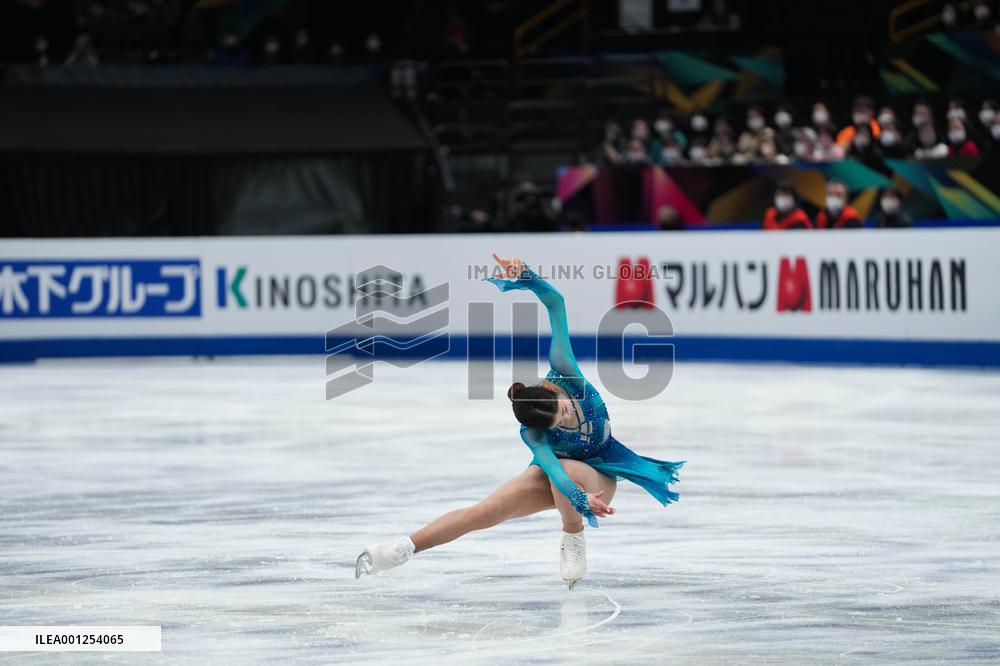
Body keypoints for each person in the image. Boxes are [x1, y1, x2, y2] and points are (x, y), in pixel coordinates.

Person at [355, 254, 685, 587]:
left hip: (598, 476)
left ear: (552, 391)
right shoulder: (533, 435)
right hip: (562, 481)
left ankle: (572, 535)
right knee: (485, 511)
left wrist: (527, 277)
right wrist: (578, 500)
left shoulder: (565, 371)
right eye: (556, 424)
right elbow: (554, 471)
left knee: (569, 469)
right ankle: (399, 550)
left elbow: (555, 304)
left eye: (562, 409)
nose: (565, 418)